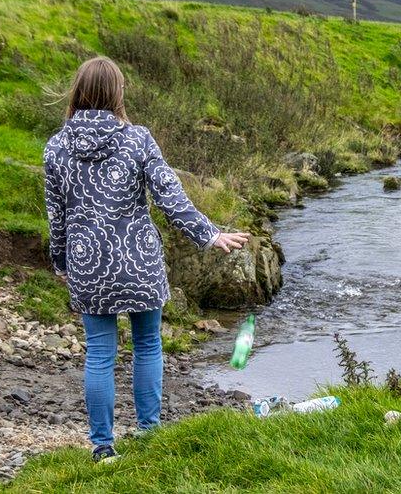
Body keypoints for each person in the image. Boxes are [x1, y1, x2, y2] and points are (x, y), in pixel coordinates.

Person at [42, 57, 250, 463]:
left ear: (78, 92)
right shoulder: (137, 138)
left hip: (88, 264)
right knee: (148, 344)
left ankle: (103, 448)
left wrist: (62, 263)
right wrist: (210, 234)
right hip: (139, 261)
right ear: (117, 93)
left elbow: (57, 216)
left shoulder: (55, 147)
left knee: (100, 354)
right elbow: (171, 198)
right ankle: (149, 434)